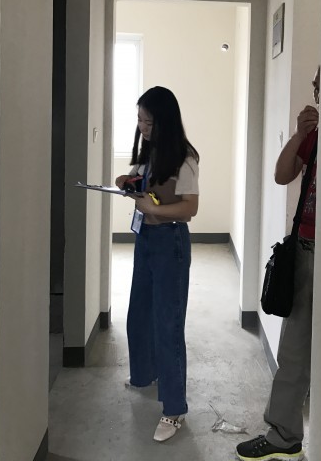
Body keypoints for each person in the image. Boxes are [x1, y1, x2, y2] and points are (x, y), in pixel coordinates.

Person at [236, 66, 320, 461]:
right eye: (315, 82)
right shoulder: (315, 136)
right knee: (294, 349)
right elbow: (281, 175)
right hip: (306, 249)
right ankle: (285, 434)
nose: (316, 88)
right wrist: (300, 134)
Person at [115, 86, 199, 443]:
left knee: (168, 325)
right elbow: (138, 181)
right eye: (139, 120)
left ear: (165, 121)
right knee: (139, 313)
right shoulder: (150, 152)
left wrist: (153, 208)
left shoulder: (184, 157)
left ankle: (174, 410)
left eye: (148, 122)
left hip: (170, 242)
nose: (142, 127)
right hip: (146, 239)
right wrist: (125, 182)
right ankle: (144, 374)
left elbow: (190, 208)